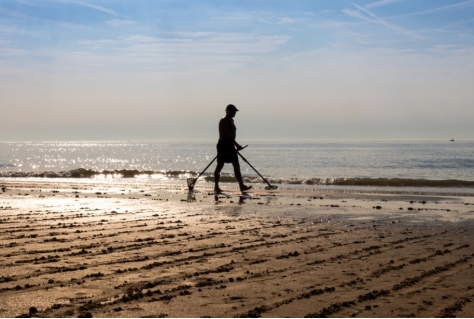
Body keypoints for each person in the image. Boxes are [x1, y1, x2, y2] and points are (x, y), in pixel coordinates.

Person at [214, 104, 252, 194]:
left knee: (236, 165)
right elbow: (227, 135)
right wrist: (237, 145)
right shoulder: (223, 121)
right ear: (228, 111)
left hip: (230, 145)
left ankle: (241, 186)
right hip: (223, 145)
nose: (235, 113)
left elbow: (231, 136)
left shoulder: (231, 121)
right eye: (233, 111)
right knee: (220, 165)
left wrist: (235, 145)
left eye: (235, 111)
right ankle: (216, 186)